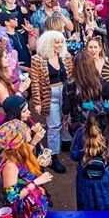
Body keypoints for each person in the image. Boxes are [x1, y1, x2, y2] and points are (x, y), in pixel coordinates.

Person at [0, 120, 52, 218]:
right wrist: (37, 182)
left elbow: (22, 158)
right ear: (19, 142)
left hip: (32, 204)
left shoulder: (15, 154)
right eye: (26, 133)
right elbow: (12, 198)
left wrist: (34, 142)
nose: (29, 133)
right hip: (25, 212)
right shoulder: (10, 166)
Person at [28, 30, 73, 172]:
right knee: (54, 126)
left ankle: (66, 142)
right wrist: (37, 102)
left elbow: (71, 77)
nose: (60, 45)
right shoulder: (38, 59)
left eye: (61, 42)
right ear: (48, 44)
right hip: (49, 95)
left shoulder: (66, 56)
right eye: (56, 42)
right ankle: (53, 155)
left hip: (65, 92)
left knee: (67, 118)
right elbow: (34, 81)